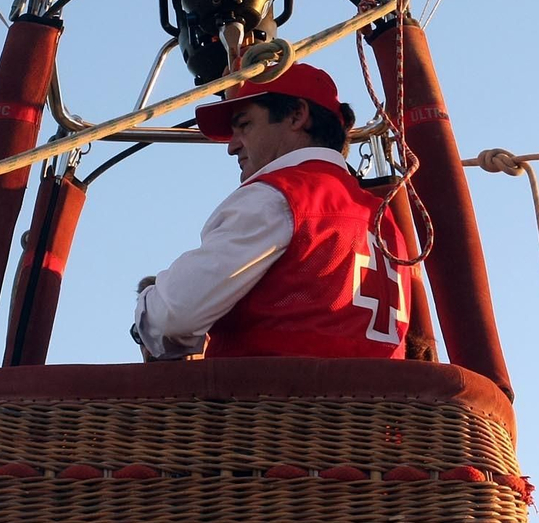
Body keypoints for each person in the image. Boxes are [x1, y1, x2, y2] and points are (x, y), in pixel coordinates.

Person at [133, 63, 415, 360]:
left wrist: (146, 315)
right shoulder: (385, 221)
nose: (232, 146)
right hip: (381, 404)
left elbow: (174, 317)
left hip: (271, 403)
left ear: (296, 116)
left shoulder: (277, 197)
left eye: (244, 125)